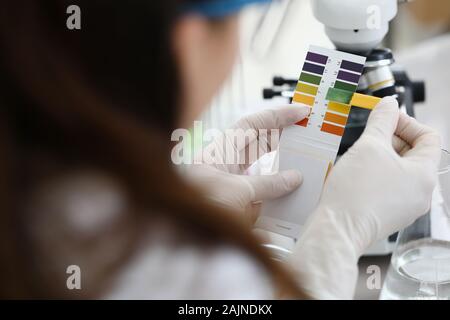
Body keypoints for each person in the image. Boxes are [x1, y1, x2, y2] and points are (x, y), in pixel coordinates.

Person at [0, 0, 441, 299]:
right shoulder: (198, 279)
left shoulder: (36, 193)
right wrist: (342, 232)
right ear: (188, 44)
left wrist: (184, 191)